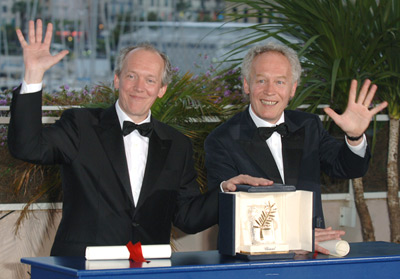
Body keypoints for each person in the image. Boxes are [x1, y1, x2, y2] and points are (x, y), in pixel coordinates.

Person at [8, 19, 270, 257]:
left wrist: (225, 190)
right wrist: (33, 75)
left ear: (161, 90)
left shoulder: (178, 145)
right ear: (117, 79)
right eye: (131, 76)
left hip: (146, 268)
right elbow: (27, 146)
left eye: (149, 80)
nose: (139, 87)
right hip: (82, 267)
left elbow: (187, 218)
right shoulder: (80, 125)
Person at [205, 42, 388, 254]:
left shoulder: (308, 125)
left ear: (292, 88)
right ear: (247, 85)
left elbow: (347, 168)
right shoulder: (221, 139)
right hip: (251, 263)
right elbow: (228, 215)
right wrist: (298, 236)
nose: (270, 91)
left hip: (310, 258)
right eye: (261, 80)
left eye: (280, 82)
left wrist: (354, 136)